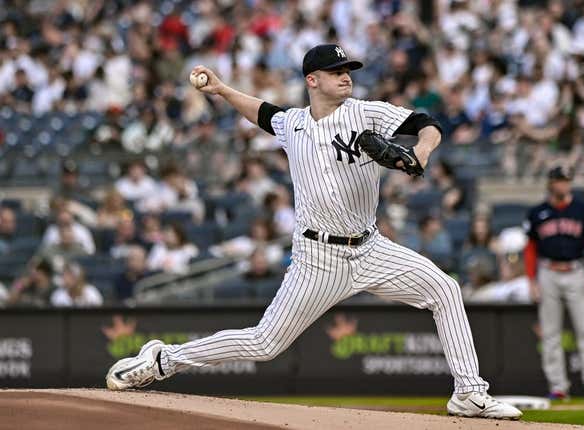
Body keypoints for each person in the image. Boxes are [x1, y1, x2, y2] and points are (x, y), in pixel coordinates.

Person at [106, 44, 521, 420]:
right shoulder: (294, 125)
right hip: (316, 259)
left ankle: (468, 392)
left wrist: (421, 151)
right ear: (312, 79)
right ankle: (164, 359)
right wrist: (222, 90)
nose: (346, 75)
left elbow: (427, 123)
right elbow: (262, 112)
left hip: (370, 248)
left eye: (349, 69)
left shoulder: (366, 112)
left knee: (444, 290)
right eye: (337, 70)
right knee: (265, 344)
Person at [523, 166, 584, 400]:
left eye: (567, 180)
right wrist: (531, 280)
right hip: (548, 271)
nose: (564, 185)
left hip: (576, 271)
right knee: (550, 333)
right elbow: (530, 248)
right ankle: (558, 387)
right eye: (560, 180)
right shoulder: (537, 212)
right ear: (550, 183)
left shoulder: (582, 209)